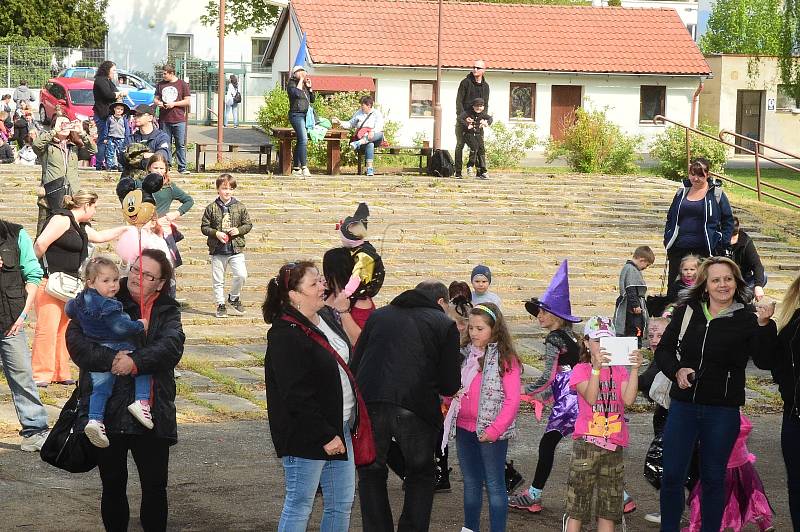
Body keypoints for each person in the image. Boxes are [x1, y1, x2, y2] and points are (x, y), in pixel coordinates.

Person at [66, 249, 184, 532]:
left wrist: (135, 362)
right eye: (134, 269)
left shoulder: (168, 310)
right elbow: (76, 342)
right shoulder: (103, 295)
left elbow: (171, 347)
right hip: (108, 410)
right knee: (113, 485)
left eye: (147, 275)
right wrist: (111, 360)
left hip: (151, 410)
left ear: (160, 283)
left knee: (155, 487)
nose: (136, 277)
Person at [655, 256, 776, 532]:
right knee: (672, 475)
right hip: (684, 407)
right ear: (705, 285)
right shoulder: (687, 311)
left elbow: (766, 359)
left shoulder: (747, 317)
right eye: (716, 280)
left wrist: (764, 325)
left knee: (712, 477)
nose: (723, 285)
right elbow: (663, 350)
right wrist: (677, 371)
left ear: (736, 282)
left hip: (722, 410)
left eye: (728, 279)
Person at [352, 281, 461, 531]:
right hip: (416, 406)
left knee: (371, 471)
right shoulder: (444, 324)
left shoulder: (379, 316)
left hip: (371, 402)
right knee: (420, 474)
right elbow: (449, 384)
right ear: (441, 302)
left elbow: (356, 364)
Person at [263, 261, 358, 531]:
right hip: (308, 433)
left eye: (321, 280)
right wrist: (325, 436)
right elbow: (295, 394)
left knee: (341, 503)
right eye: (314, 283)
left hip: (338, 426)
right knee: (300, 504)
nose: (322, 286)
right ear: (294, 294)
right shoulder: (284, 334)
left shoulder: (326, 316)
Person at [31, 191, 127, 387]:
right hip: (50, 281)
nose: (95, 211)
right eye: (95, 207)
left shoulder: (81, 226)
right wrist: (33, 269)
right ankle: (40, 373)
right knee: (47, 328)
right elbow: (41, 243)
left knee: (63, 329)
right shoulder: (61, 219)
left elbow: (100, 237)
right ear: (86, 205)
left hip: (67, 285)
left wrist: (126, 229)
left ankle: (60, 371)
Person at [510, 260, 582, 515]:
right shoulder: (573, 337)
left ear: (556, 315)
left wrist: (525, 391)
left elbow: (549, 375)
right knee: (590, 444)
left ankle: (534, 495)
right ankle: (623, 498)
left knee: (548, 444)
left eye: (542, 312)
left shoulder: (553, 338)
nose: (538, 316)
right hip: (578, 394)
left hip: (569, 401)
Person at [445, 303, 521, 532]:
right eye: (471, 328)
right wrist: (449, 400)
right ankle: (470, 528)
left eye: (480, 329)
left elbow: (512, 400)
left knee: (495, 484)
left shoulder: (505, 359)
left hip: (491, 433)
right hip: (464, 428)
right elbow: (452, 389)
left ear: (494, 329)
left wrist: (495, 430)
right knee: (470, 483)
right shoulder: (464, 355)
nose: (474, 333)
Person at [564, 316, 642, 532]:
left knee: (609, 507)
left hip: (614, 446)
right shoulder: (580, 369)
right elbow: (590, 397)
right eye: (597, 341)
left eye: (607, 341)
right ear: (586, 343)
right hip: (586, 446)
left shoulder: (619, 370)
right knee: (577, 507)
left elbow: (628, 400)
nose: (601, 347)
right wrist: (596, 369)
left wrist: (634, 369)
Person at [65, 256, 153, 448]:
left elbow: (69, 309)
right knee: (142, 365)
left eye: (115, 279)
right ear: (90, 282)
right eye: (106, 281)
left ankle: (95, 420)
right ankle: (142, 401)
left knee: (101, 389)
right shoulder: (109, 305)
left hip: (96, 350)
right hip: (116, 346)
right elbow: (120, 328)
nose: (113, 286)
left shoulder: (79, 300)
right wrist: (139, 324)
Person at [0, 219, 51, 451]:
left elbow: (33, 276)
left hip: (11, 321)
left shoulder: (16, 234)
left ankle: (35, 431)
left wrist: (22, 315)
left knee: (23, 376)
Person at [684, 413, 774, 532]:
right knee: (750, 492)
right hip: (740, 462)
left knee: (707, 495)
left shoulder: (709, 416)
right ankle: (763, 521)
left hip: (719, 466)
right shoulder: (735, 415)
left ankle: (698, 526)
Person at [663, 158, 734, 298]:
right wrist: (668, 237)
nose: (695, 178)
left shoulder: (716, 194)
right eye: (692, 174)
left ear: (707, 174)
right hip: (679, 248)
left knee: (702, 289)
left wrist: (722, 242)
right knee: (674, 289)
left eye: (700, 175)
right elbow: (670, 217)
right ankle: (673, 317)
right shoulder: (681, 192)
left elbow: (728, 220)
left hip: (705, 249)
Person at [767, 272, 800, 528]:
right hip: (794, 416)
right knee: (796, 484)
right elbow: (770, 360)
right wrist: (764, 325)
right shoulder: (793, 321)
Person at [33, 116, 95, 236]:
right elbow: (36, 145)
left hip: (72, 194)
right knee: (44, 232)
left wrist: (82, 133)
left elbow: (93, 150)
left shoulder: (74, 147)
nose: (65, 126)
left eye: (67, 123)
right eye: (61, 123)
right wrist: (54, 131)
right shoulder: (47, 146)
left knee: (72, 232)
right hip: (51, 194)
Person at [200, 174, 251, 318]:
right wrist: (216, 233)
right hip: (218, 249)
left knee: (241, 275)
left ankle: (234, 297)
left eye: (230, 189)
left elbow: (248, 224)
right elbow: (204, 227)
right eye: (224, 188)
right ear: (218, 189)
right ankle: (220, 304)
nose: (227, 191)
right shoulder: (211, 208)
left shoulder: (240, 207)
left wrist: (239, 230)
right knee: (218, 279)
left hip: (236, 248)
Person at [613, 245, 655, 346]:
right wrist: (635, 305)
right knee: (634, 329)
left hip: (632, 304)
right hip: (631, 308)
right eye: (647, 265)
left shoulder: (629, 268)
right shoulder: (631, 269)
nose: (645, 268)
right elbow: (630, 289)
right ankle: (634, 345)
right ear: (642, 260)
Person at [333, 95, 385, 176]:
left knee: (380, 133)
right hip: (364, 138)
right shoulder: (358, 113)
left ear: (369, 105)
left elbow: (380, 126)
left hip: (375, 137)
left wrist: (372, 131)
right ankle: (369, 169)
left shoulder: (377, 114)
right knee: (370, 144)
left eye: (363, 105)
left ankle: (358, 143)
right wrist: (340, 122)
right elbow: (350, 124)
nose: (361, 107)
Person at [454, 60, 489, 178]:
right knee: (460, 145)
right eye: (474, 67)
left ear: (484, 70)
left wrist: (484, 119)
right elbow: (459, 102)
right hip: (463, 120)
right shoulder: (465, 83)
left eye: (478, 68)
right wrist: (464, 117)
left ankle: (480, 172)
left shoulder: (486, 86)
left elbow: (486, 104)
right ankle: (458, 172)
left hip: (478, 121)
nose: (475, 69)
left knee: (479, 146)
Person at [154, 64, 191, 174]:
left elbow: (187, 101)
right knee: (166, 143)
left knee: (180, 144)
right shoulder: (160, 84)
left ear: (172, 73)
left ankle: (182, 167)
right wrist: (159, 103)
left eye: (165, 74)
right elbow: (155, 99)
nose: (163, 75)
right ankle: (167, 166)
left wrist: (174, 104)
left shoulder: (182, 84)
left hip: (179, 118)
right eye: (163, 73)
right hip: (164, 119)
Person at [121, 104, 173, 181]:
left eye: (139, 115)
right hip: (132, 181)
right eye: (134, 115)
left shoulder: (161, 137)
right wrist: (147, 156)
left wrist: (136, 157)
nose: (135, 118)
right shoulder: (130, 138)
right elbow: (123, 158)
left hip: (154, 182)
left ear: (150, 118)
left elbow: (162, 157)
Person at [92, 61, 127, 171]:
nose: (114, 72)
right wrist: (119, 94)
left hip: (109, 114)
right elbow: (108, 95)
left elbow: (114, 91)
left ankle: (110, 163)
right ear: (107, 70)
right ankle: (99, 163)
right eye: (113, 70)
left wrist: (119, 94)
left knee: (111, 141)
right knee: (103, 139)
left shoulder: (108, 80)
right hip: (102, 114)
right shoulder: (100, 80)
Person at [286, 65, 314, 176]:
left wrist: (309, 88)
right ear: (295, 73)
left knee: (300, 140)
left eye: (304, 71)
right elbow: (296, 94)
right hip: (296, 115)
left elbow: (312, 100)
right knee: (303, 139)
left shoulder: (304, 85)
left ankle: (296, 168)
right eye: (300, 72)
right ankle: (304, 167)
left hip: (305, 115)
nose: (303, 73)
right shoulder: (291, 84)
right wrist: (301, 80)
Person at [730, 216, 766, 301]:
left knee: (763, 277)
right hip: (723, 279)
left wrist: (758, 286)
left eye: (733, 237)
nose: (731, 241)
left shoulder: (746, 242)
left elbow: (757, 265)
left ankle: (742, 299)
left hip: (742, 279)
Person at [457, 97, 493, 179]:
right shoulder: (468, 113)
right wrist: (467, 125)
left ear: (483, 107)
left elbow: (490, 118)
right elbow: (459, 118)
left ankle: (483, 171)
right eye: (476, 106)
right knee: (475, 147)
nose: (478, 108)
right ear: (473, 106)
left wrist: (486, 123)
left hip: (477, 134)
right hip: (468, 134)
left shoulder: (483, 114)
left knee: (481, 150)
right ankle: (470, 165)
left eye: (480, 106)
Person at [104, 102, 132, 171]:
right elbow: (106, 128)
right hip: (111, 137)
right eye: (118, 109)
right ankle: (109, 166)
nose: (119, 111)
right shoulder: (110, 118)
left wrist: (127, 138)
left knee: (121, 153)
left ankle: (121, 166)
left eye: (121, 109)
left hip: (121, 138)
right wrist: (105, 137)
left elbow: (127, 129)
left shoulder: (124, 119)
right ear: (114, 109)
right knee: (109, 152)